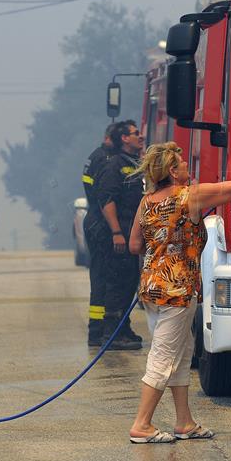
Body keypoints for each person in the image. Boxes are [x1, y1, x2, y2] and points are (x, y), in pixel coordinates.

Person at [126, 139, 231, 444]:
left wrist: (164, 245)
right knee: (163, 357)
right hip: (177, 292)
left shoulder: (146, 201)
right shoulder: (190, 196)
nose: (187, 169)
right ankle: (142, 424)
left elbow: (134, 245)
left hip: (153, 289)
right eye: (181, 165)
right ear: (172, 171)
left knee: (180, 355)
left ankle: (185, 422)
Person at [97, 120, 145, 350]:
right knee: (118, 284)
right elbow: (107, 200)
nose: (141, 136)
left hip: (133, 233)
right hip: (121, 234)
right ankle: (111, 333)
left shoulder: (135, 163)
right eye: (136, 133)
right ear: (124, 138)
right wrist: (116, 232)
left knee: (130, 283)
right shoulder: (114, 165)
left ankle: (123, 329)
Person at [81, 122, 119, 347]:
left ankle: (95, 330)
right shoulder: (105, 159)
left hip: (94, 220)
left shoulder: (94, 156)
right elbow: (103, 196)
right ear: (110, 138)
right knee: (104, 277)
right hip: (100, 223)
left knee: (98, 275)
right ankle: (98, 331)